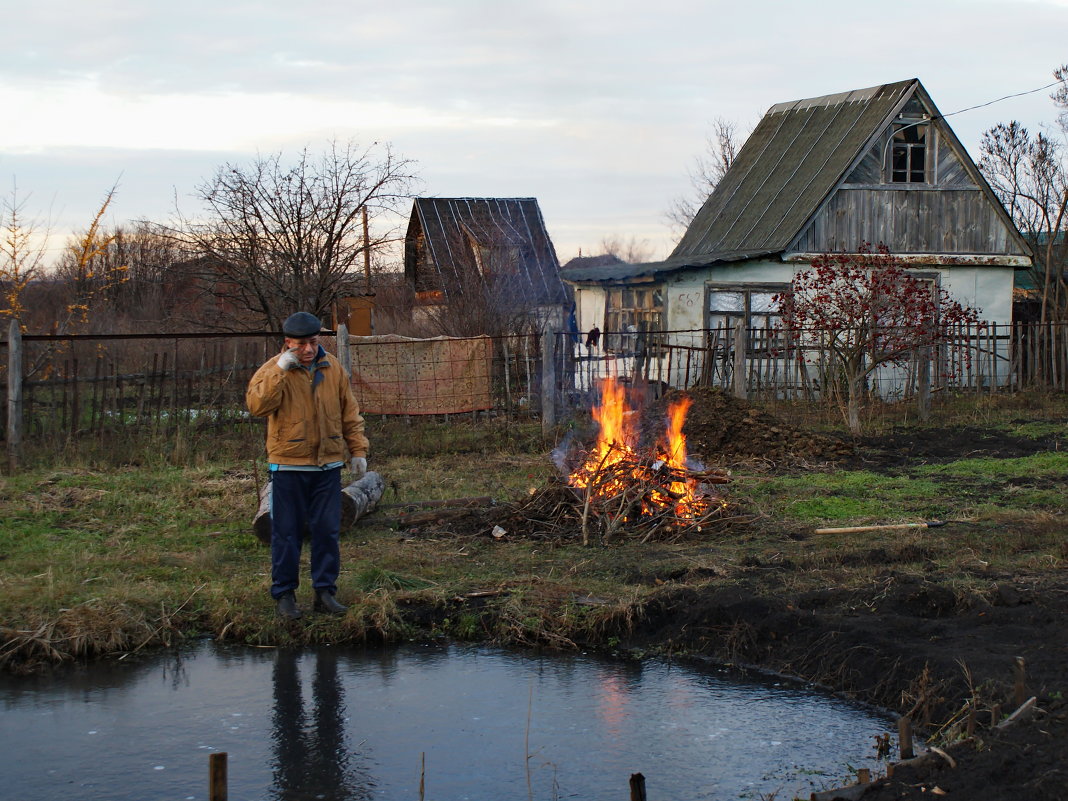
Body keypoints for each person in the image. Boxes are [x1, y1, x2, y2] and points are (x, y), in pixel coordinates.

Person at [246, 311, 369, 620]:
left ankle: (324, 593)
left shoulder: (333, 369)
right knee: (286, 534)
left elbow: (349, 413)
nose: (308, 350)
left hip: (327, 466)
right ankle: (285, 596)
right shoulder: (272, 371)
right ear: (288, 343)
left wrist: (357, 450)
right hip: (288, 466)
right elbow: (257, 406)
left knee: (327, 531)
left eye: (313, 343)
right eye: (300, 345)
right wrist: (280, 371)